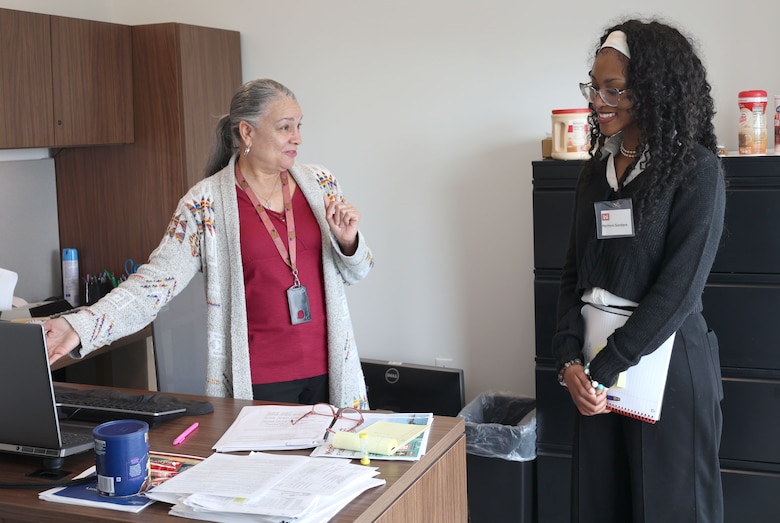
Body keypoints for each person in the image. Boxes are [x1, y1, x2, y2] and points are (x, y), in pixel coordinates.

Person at [44, 79, 374, 409]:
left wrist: (349, 242)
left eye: (298, 126)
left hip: (331, 375)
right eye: (285, 127)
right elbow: (154, 284)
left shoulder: (321, 183)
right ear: (248, 132)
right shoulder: (204, 205)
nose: (297, 138)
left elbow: (358, 272)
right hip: (259, 383)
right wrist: (81, 326)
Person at [552, 20, 726, 522]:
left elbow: (678, 290)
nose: (599, 100)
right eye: (594, 86)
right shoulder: (596, 172)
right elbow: (572, 273)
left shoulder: (695, 170)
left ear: (653, 90)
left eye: (615, 89)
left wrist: (605, 367)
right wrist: (568, 359)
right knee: (601, 506)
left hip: (663, 370)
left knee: (670, 509)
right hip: (596, 376)